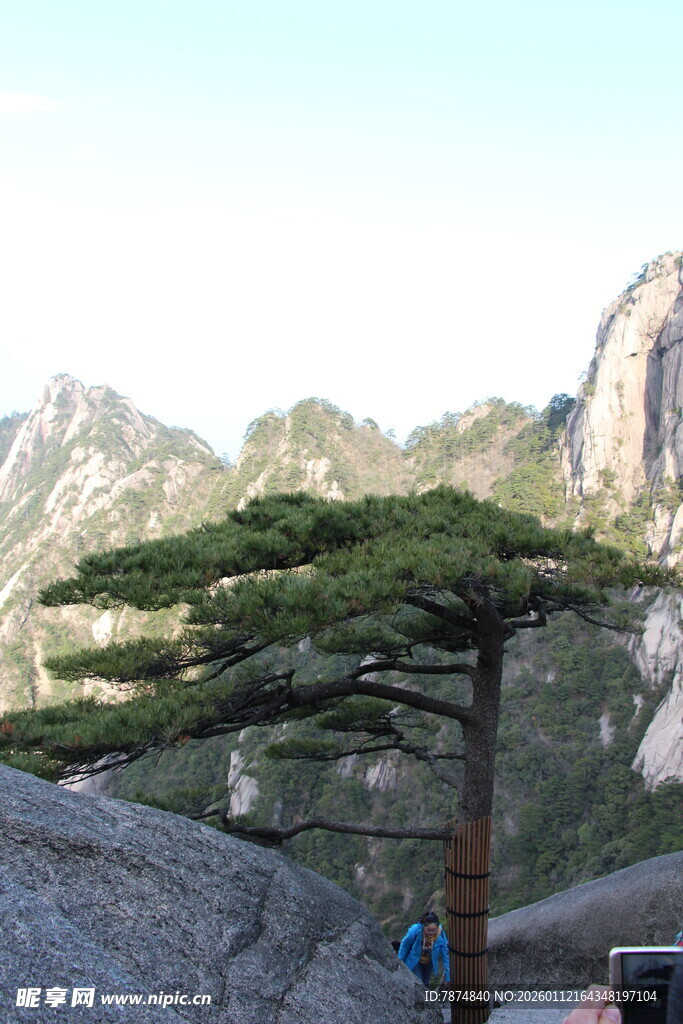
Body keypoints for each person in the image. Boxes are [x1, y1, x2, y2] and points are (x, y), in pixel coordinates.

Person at [398, 911, 450, 987]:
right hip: (416, 961)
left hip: (429, 962)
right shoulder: (415, 931)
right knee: (419, 983)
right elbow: (405, 945)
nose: (431, 933)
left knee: (425, 984)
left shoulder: (440, 935)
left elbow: (446, 954)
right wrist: (399, 961)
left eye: (434, 930)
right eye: (429, 930)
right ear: (423, 926)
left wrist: (448, 977)